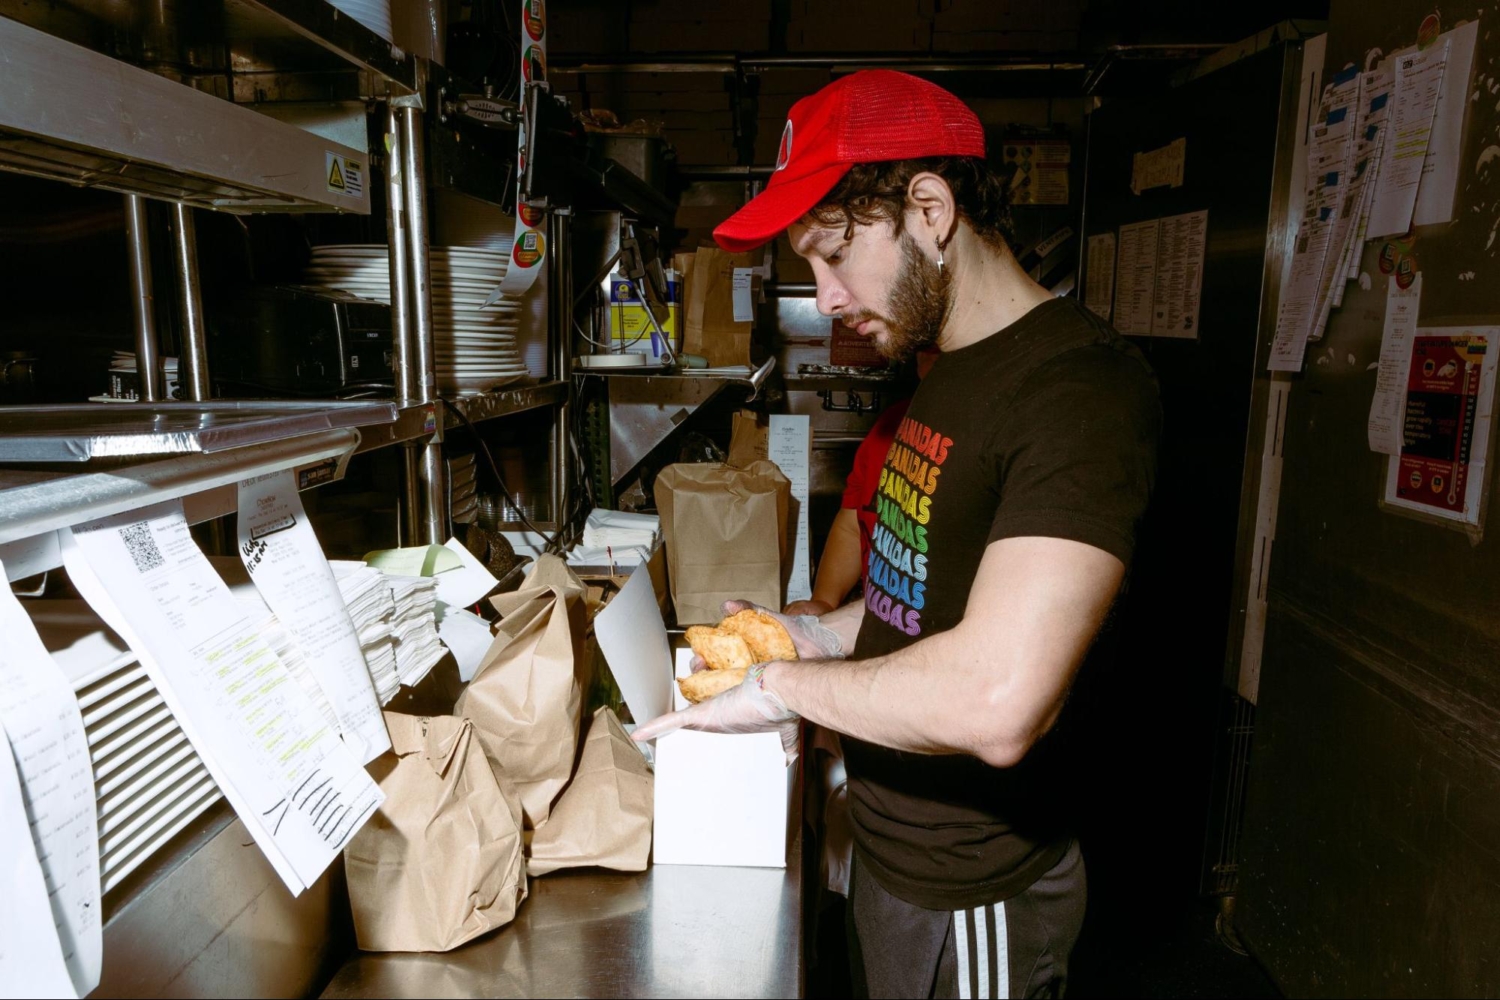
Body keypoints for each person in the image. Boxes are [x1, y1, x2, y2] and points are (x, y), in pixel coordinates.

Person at [636, 69, 1161, 999]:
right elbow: (909, 613)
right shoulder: (945, 370)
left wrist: (781, 686)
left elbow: (1000, 702)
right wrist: (806, 634)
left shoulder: (1082, 394)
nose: (826, 296)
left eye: (836, 255)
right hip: (891, 859)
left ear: (929, 207)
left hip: (977, 895)